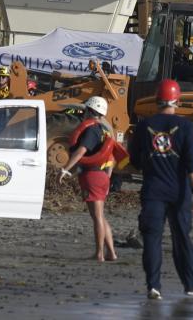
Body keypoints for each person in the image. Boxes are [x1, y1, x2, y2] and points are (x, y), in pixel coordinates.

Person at [128, 80, 193, 300]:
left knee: (152, 238)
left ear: (156, 99)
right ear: (177, 100)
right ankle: (190, 284)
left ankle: (153, 285)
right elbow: (191, 163)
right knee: (181, 237)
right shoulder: (186, 126)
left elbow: (134, 158)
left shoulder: (144, 126)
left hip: (152, 190)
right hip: (179, 192)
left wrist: (150, 164)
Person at [59, 97, 118, 263]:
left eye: (85, 111)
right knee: (100, 216)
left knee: (97, 216)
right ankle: (111, 253)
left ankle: (99, 254)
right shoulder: (104, 130)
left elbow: (80, 151)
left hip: (92, 175)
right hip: (101, 175)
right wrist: (107, 177)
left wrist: (65, 169)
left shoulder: (91, 130)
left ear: (90, 111)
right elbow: (111, 158)